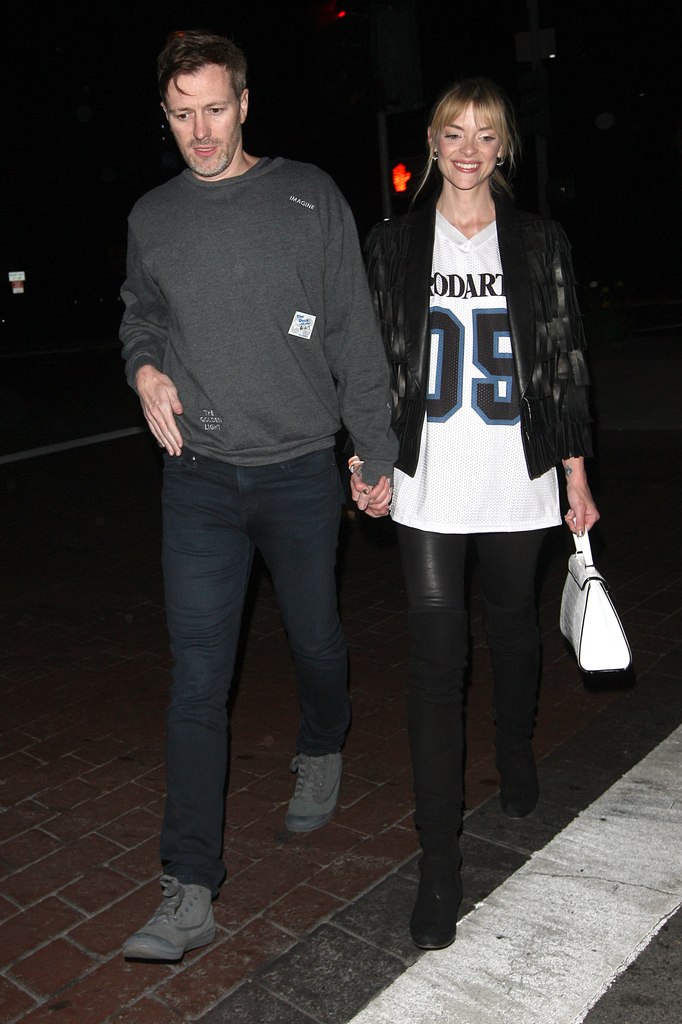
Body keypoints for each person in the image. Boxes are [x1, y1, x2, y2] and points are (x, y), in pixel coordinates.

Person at [119, 28, 396, 962]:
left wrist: (374, 449)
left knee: (316, 639)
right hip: (197, 477)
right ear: (165, 117)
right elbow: (140, 312)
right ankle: (189, 886)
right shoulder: (153, 215)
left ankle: (324, 739)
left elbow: (353, 329)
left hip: (300, 469)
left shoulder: (308, 195)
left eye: (215, 109)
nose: (200, 132)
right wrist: (145, 367)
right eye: (181, 115)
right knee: (198, 681)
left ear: (244, 103)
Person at [354, 76, 599, 951]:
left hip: (515, 476)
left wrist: (575, 475)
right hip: (427, 479)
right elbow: (367, 362)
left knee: (514, 632)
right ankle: (440, 864)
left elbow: (564, 360)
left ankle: (515, 744)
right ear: (431, 142)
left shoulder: (538, 242)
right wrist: (365, 458)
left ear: (503, 147)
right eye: (452, 132)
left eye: (484, 134)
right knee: (435, 659)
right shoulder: (392, 244)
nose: (467, 149)